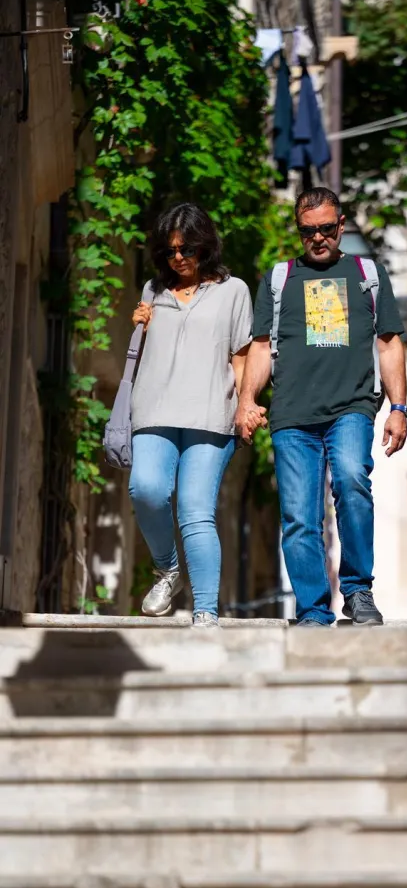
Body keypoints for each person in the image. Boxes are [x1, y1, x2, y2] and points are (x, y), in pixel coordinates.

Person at [234, 187, 407, 627]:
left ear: (341, 226)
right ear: (300, 232)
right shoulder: (278, 280)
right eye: (308, 231)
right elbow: (259, 347)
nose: (318, 238)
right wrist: (247, 400)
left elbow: (388, 344)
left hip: (351, 406)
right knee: (299, 517)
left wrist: (399, 408)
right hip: (292, 415)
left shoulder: (368, 274)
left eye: (327, 229)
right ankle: (313, 610)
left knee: (352, 480)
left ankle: (357, 591)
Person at [128, 202, 253, 627]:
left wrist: (247, 404)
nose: (178, 258)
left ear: (206, 246)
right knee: (145, 489)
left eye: (187, 249)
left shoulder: (233, 290)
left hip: (210, 412)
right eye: (169, 251)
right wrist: (139, 327)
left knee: (196, 510)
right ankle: (168, 569)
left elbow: (240, 354)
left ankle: (205, 613)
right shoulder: (152, 291)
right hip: (153, 408)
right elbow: (144, 355)